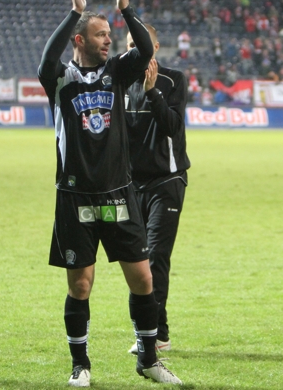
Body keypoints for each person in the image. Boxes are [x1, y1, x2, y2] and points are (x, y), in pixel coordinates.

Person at [37, 0, 182, 387]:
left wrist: (126, 10)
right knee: (81, 285)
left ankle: (149, 359)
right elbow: (46, 60)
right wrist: (74, 13)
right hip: (74, 196)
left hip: (119, 194)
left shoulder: (117, 72)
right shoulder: (62, 80)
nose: (108, 40)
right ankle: (80, 365)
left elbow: (147, 48)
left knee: (143, 279)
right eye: (100, 35)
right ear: (80, 41)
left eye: (109, 34)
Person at [124, 25, 191, 355]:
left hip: (167, 181)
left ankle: (156, 334)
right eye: (130, 45)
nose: (136, 49)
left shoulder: (173, 79)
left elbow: (174, 126)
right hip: (131, 185)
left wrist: (152, 92)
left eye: (142, 43)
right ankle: (146, 330)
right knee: (137, 261)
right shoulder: (120, 82)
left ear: (156, 46)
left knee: (155, 257)